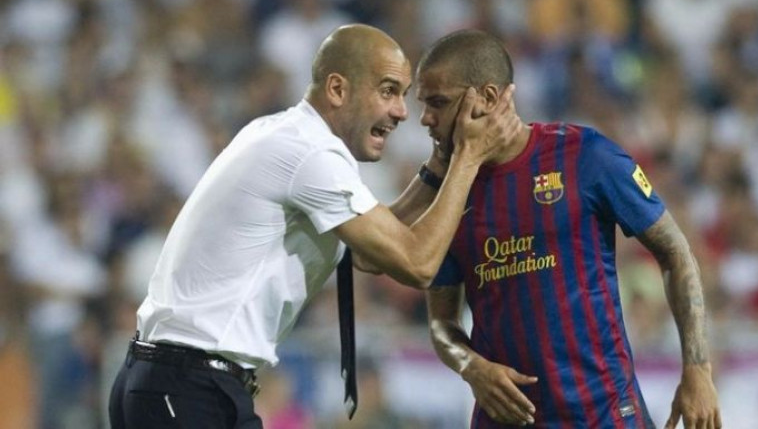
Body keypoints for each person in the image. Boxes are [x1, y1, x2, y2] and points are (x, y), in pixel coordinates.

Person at [107, 24, 520, 429]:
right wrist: (468, 157)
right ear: (337, 89)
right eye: (388, 91)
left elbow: (367, 254)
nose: (402, 111)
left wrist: (439, 166)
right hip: (188, 387)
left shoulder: (282, 133)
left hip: (175, 381)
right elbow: (417, 263)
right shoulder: (310, 154)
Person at [417, 30, 721, 428]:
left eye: (438, 103)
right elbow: (442, 323)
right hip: (506, 420)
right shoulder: (448, 196)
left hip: (604, 415)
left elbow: (676, 252)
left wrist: (697, 369)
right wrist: (470, 365)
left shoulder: (586, 156)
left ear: (487, 98)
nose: (425, 118)